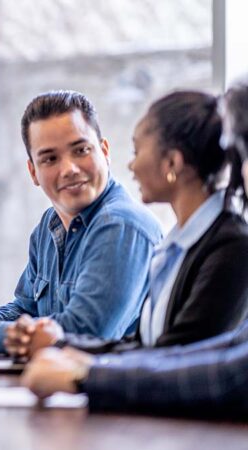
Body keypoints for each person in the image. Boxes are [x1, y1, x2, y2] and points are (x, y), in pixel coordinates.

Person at [21, 79, 248, 419]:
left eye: (138, 150)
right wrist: (67, 350)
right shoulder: (177, 245)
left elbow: (214, 370)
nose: (131, 165)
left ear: (171, 163)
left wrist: (85, 374)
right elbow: (168, 350)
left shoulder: (229, 246)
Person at [0, 91, 162, 352]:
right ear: (33, 171)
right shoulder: (49, 225)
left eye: (81, 150)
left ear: (104, 151)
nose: (69, 169)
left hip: (109, 389)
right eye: (50, 159)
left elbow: (84, 334)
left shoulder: (121, 226)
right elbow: (26, 309)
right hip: (55, 386)